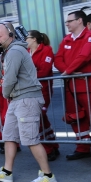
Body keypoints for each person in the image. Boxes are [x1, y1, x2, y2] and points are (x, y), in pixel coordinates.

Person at [0, 23, 56, 182]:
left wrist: (5, 94)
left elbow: (8, 80)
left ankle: (48, 175)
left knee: (31, 139)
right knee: (9, 136)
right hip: (17, 100)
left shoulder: (15, 51)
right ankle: (7, 172)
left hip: (26, 99)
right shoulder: (8, 53)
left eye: (0, 36)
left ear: (10, 34)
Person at [54, 10, 91, 163]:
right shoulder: (66, 40)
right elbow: (58, 58)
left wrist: (67, 71)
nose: (67, 24)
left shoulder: (90, 37)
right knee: (75, 118)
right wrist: (68, 72)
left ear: (79, 21)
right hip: (72, 86)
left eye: (69, 21)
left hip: (89, 85)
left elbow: (84, 56)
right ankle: (83, 148)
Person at [26, 30, 60, 161]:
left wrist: (27, 76)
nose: (25, 40)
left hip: (42, 90)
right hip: (31, 90)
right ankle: (53, 145)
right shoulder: (27, 53)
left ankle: (48, 149)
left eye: (27, 38)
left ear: (34, 39)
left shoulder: (47, 50)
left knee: (37, 120)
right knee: (41, 119)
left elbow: (44, 71)